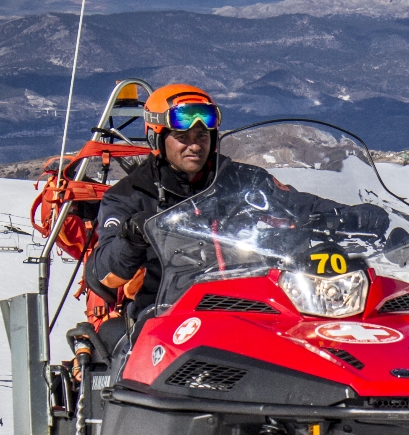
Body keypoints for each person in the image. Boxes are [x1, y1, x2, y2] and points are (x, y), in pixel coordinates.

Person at [88, 83, 389, 351]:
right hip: (168, 314)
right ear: (158, 138)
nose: (194, 144)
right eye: (182, 136)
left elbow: (295, 205)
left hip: (251, 306)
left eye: (202, 135)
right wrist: (131, 237)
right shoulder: (130, 195)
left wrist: (346, 215)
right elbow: (102, 273)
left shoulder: (238, 178)